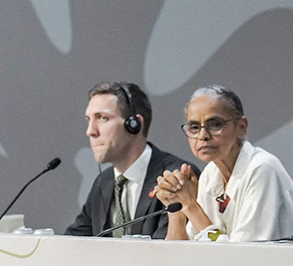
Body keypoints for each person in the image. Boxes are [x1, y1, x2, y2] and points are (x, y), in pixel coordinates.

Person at [154, 85, 293, 242]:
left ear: (241, 127)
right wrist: (177, 207)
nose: (203, 135)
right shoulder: (210, 173)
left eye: (215, 125)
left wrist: (191, 206)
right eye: (194, 127)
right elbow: (181, 252)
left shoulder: (262, 169)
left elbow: (238, 254)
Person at [66, 82, 196, 238]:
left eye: (103, 118)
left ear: (134, 125)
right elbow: (73, 240)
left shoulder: (175, 178)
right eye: (89, 120)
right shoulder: (103, 182)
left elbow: (167, 249)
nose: (90, 131)